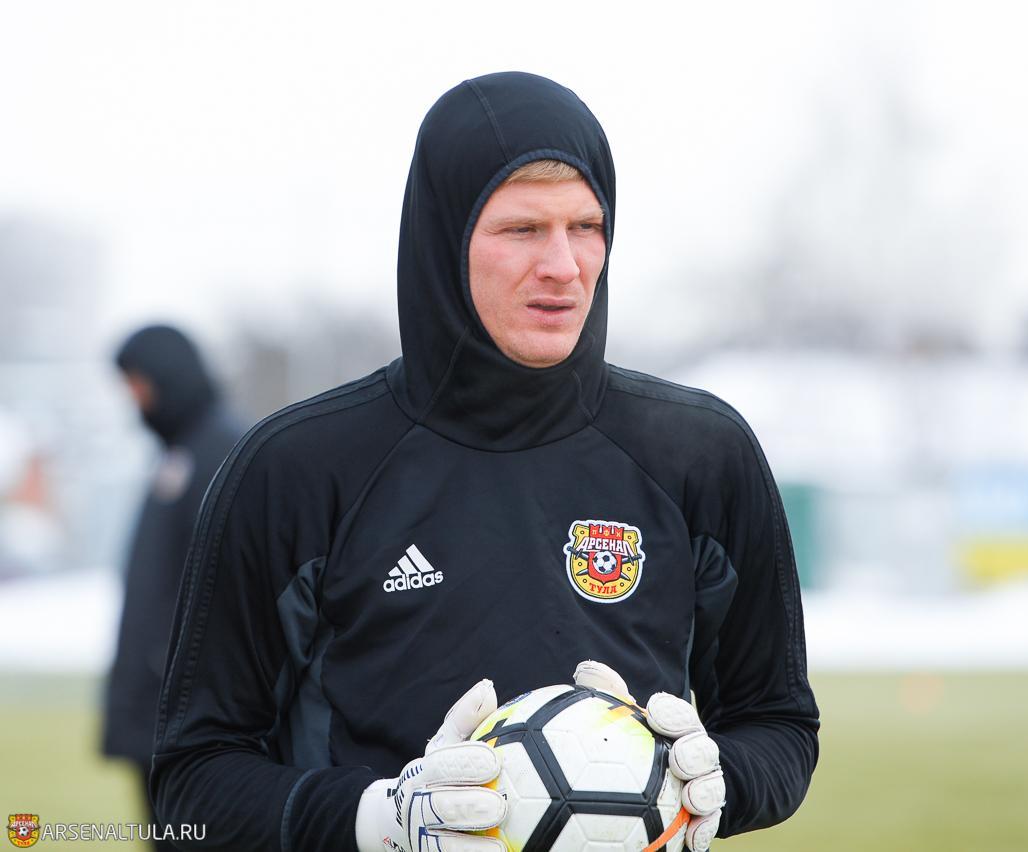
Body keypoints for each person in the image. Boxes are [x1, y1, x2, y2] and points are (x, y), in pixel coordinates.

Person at [151, 72, 819, 852]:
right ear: (444, 240)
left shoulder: (701, 454)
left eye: (586, 225)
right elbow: (190, 784)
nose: (564, 265)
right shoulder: (295, 469)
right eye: (523, 229)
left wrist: (714, 782)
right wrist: (382, 818)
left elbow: (778, 725)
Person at [102, 324, 243, 849]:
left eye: (137, 384)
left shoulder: (222, 450)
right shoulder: (178, 453)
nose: (134, 399)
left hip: (188, 715)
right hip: (159, 708)